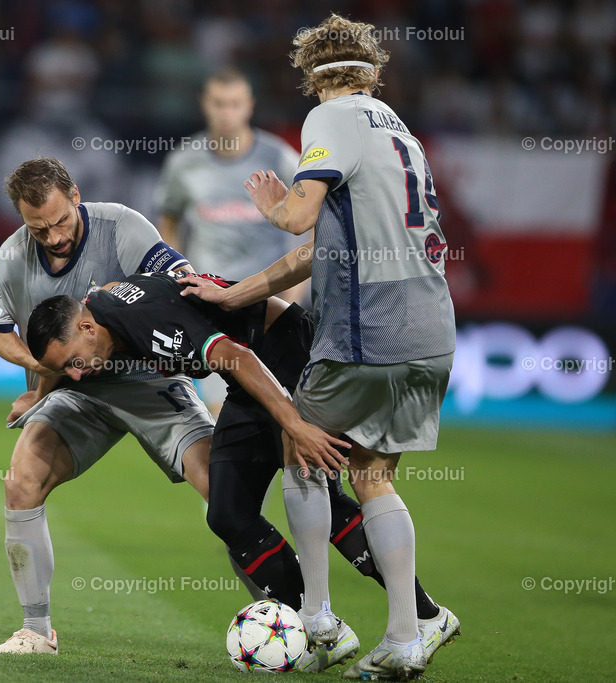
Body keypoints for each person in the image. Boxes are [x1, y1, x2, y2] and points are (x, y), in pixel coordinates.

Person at [181, 14, 461, 680]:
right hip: (433, 327)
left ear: (312, 76)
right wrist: (238, 292)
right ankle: (408, 632)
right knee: (371, 475)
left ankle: (315, 618)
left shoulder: (330, 120)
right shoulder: (403, 134)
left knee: (302, 449)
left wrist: (276, 207)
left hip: (370, 324)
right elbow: (321, 249)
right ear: (373, 70)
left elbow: (299, 220)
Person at [26, 270, 456, 672]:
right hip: (247, 379)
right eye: (67, 369)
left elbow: (235, 354)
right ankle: (322, 631)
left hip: (285, 351)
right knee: (228, 511)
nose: (76, 376)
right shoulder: (94, 310)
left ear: (85, 327)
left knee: (324, 493)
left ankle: (423, 615)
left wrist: (295, 425)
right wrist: (37, 396)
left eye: (75, 362)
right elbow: (72, 342)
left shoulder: (141, 320)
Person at [0, 157, 222, 655]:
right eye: (38, 228)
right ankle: (35, 630)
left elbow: (185, 287)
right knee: (21, 481)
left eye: (60, 221)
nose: (53, 237)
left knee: (224, 491)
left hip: (144, 378)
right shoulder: (11, 258)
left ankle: (293, 618)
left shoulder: (123, 229)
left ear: (75, 195)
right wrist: (43, 369)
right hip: (74, 389)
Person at [156, 68, 308, 412]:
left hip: (268, 302)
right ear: (204, 105)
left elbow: (311, 224)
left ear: (249, 106)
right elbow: (169, 220)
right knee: (222, 412)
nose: (227, 113)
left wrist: (294, 292)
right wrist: (176, 278)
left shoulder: (279, 158)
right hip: (211, 305)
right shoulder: (184, 162)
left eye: (235, 104)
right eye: (219, 103)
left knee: (285, 409)